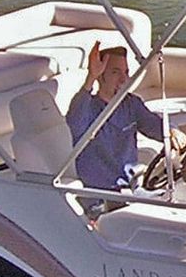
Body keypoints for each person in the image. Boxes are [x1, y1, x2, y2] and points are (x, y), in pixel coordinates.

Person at [65, 41, 164, 192]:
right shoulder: (87, 107)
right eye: (115, 72)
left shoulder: (131, 104)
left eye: (126, 72)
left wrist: (172, 132)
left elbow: (154, 126)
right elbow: (74, 127)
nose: (123, 80)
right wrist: (90, 78)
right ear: (100, 76)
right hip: (101, 194)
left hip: (131, 185)